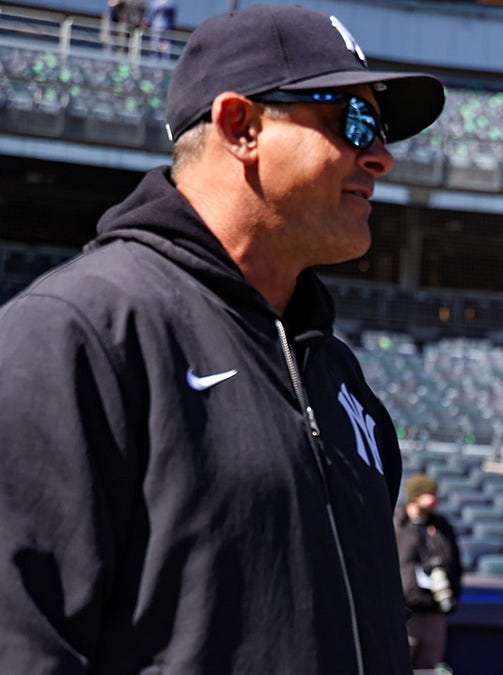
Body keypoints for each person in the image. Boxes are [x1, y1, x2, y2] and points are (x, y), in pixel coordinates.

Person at [0, 6, 444, 673]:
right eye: (354, 123)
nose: (379, 156)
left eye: (379, 131)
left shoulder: (336, 371)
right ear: (241, 126)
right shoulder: (78, 331)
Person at [395, 473, 464, 670]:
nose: (434, 499)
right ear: (416, 496)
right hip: (405, 612)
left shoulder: (441, 528)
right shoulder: (397, 525)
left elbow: (454, 564)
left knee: (429, 667)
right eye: (429, 494)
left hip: (434, 611)